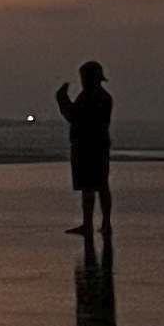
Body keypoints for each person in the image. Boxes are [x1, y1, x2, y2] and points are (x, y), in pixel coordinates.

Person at [54, 60, 115, 241]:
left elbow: (76, 117)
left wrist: (62, 100)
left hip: (91, 145)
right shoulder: (94, 96)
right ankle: (96, 224)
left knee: (95, 186)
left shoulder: (96, 98)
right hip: (93, 144)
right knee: (94, 186)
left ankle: (98, 224)